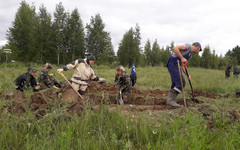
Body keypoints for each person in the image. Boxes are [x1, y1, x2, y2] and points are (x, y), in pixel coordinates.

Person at [166, 42, 202, 107]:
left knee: (175, 83)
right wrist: (182, 58)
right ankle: (171, 101)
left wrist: (187, 75)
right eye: (198, 50)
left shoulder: (190, 55)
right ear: (198, 47)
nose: (197, 51)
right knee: (181, 82)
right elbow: (175, 48)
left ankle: (170, 99)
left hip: (177, 65)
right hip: (172, 63)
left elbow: (183, 66)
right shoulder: (188, 46)